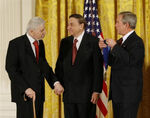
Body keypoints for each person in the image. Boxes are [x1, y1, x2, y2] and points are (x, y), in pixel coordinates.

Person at [5, 17, 64, 118]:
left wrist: (55, 83)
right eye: (42, 30)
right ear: (32, 31)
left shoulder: (40, 44)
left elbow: (44, 66)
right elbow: (11, 69)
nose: (45, 32)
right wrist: (26, 88)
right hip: (25, 94)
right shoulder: (16, 44)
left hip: (39, 93)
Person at [55, 14, 103, 118]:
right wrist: (57, 83)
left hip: (87, 94)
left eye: (71, 25)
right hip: (68, 94)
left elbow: (98, 69)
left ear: (81, 26)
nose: (68, 27)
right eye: (68, 25)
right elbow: (59, 66)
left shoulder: (93, 41)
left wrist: (96, 90)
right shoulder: (65, 42)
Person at [99, 11, 145, 118]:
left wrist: (115, 47)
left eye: (117, 22)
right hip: (118, 94)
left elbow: (131, 61)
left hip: (129, 96)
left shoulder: (137, 42)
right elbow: (112, 62)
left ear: (126, 25)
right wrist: (103, 50)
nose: (115, 25)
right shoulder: (120, 41)